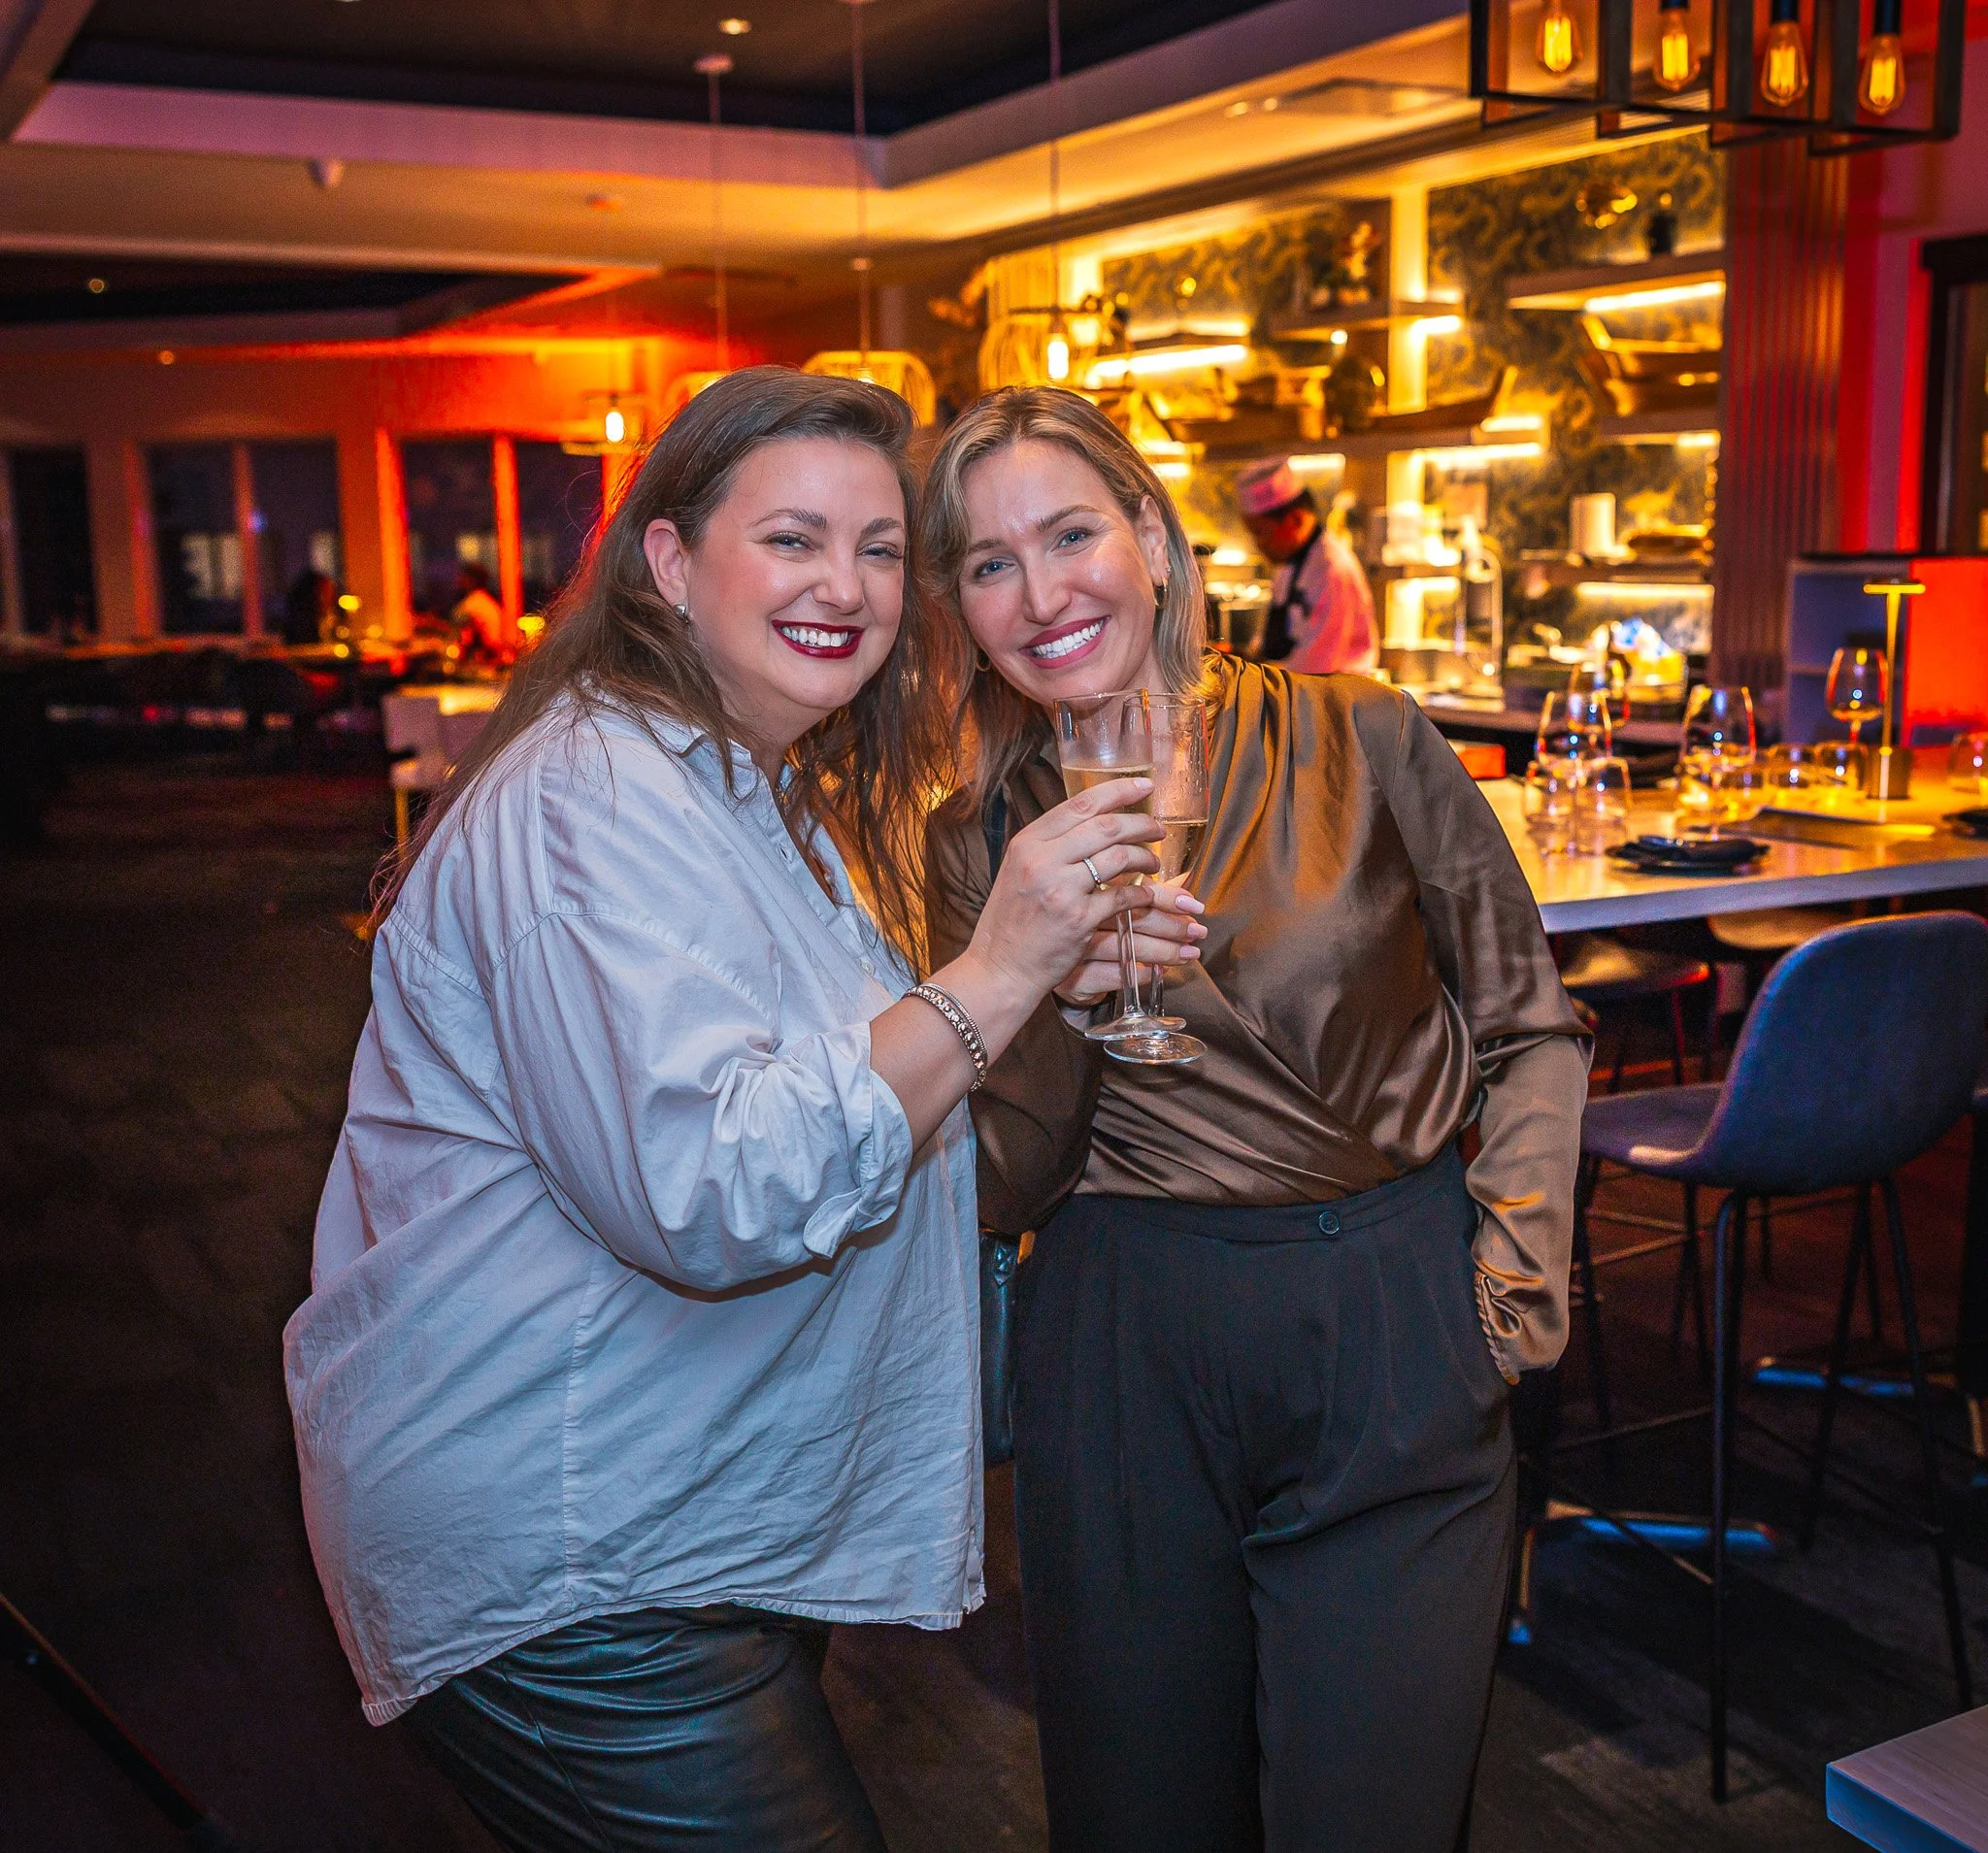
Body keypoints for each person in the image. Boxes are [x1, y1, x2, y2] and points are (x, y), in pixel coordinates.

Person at [283, 367, 1163, 1852]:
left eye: (883, 550)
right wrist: (999, 963)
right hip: (578, 1555)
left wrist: (1045, 993)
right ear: (670, 563)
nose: (848, 586)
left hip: (689, 1508)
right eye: (795, 539)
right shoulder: (591, 800)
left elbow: (875, 1124)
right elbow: (711, 1191)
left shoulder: (749, 792)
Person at [920, 387, 1591, 1853]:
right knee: (1143, 1814)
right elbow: (1002, 1178)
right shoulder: (975, 836)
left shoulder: (1362, 737)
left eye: (1071, 532)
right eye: (986, 563)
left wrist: (1510, 1297)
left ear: (1152, 538)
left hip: (1395, 1321)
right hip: (1121, 1343)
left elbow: (1530, 1021)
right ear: (959, 608)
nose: (1040, 595)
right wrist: (1044, 992)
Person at [1236, 455, 1376, 675]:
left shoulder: (1332, 570)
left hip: (1329, 702)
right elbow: (1276, 644)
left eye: (1261, 533)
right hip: (1296, 695)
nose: (1258, 544)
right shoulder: (1289, 564)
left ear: (1295, 520)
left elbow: (1317, 666)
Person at [451, 561, 509, 663]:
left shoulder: (473, 603)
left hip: (485, 657)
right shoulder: (487, 601)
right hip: (495, 654)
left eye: (463, 577)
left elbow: (454, 625)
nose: (458, 580)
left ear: (471, 580)